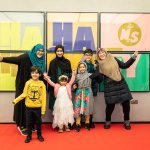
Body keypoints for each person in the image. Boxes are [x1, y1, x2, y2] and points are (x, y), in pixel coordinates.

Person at [0, 44, 46, 135]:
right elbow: (15, 59)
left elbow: (41, 74)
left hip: (34, 86)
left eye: (42, 50)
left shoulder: (41, 62)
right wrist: (3, 59)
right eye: (39, 50)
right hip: (23, 85)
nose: (40, 52)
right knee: (22, 105)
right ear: (35, 50)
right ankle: (21, 125)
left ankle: (30, 125)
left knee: (32, 105)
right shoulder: (26, 56)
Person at [96, 48, 138, 130]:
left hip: (121, 83)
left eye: (103, 52)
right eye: (99, 53)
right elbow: (99, 80)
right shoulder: (98, 64)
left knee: (126, 104)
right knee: (110, 106)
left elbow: (124, 66)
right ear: (98, 55)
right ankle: (107, 121)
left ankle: (127, 121)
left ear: (106, 53)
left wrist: (133, 57)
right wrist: (97, 73)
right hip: (109, 85)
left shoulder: (113, 58)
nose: (101, 54)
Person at [12, 66, 46, 143]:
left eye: (36, 73)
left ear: (39, 74)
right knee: (29, 123)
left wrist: (43, 110)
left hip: (38, 108)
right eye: (33, 72)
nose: (35, 74)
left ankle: (39, 135)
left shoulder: (42, 84)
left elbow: (44, 98)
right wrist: (16, 100)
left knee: (38, 123)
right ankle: (29, 136)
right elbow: (24, 94)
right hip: (28, 107)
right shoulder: (28, 83)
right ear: (30, 74)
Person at [74, 61, 101, 132]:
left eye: (83, 67)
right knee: (78, 108)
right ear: (79, 68)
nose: (82, 68)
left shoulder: (90, 75)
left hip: (87, 92)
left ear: (86, 68)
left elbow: (97, 74)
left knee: (87, 107)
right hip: (79, 92)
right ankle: (78, 124)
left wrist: (96, 67)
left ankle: (87, 123)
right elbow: (75, 83)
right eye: (80, 67)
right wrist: (75, 86)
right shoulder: (76, 76)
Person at [48, 45, 72, 110]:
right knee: (55, 106)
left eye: (61, 51)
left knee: (64, 106)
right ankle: (55, 120)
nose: (59, 53)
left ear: (63, 52)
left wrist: (65, 81)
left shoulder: (67, 62)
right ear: (55, 52)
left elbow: (70, 74)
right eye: (58, 51)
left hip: (64, 87)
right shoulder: (52, 62)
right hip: (55, 87)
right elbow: (50, 75)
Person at [83, 49, 98, 128]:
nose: (88, 56)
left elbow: (95, 78)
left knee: (90, 104)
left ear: (92, 56)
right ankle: (85, 121)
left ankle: (90, 120)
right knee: (84, 105)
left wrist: (96, 68)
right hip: (84, 88)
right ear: (84, 56)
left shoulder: (93, 65)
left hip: (92, 87)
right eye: (86, 55)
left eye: (90, 55)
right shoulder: (82, 65)